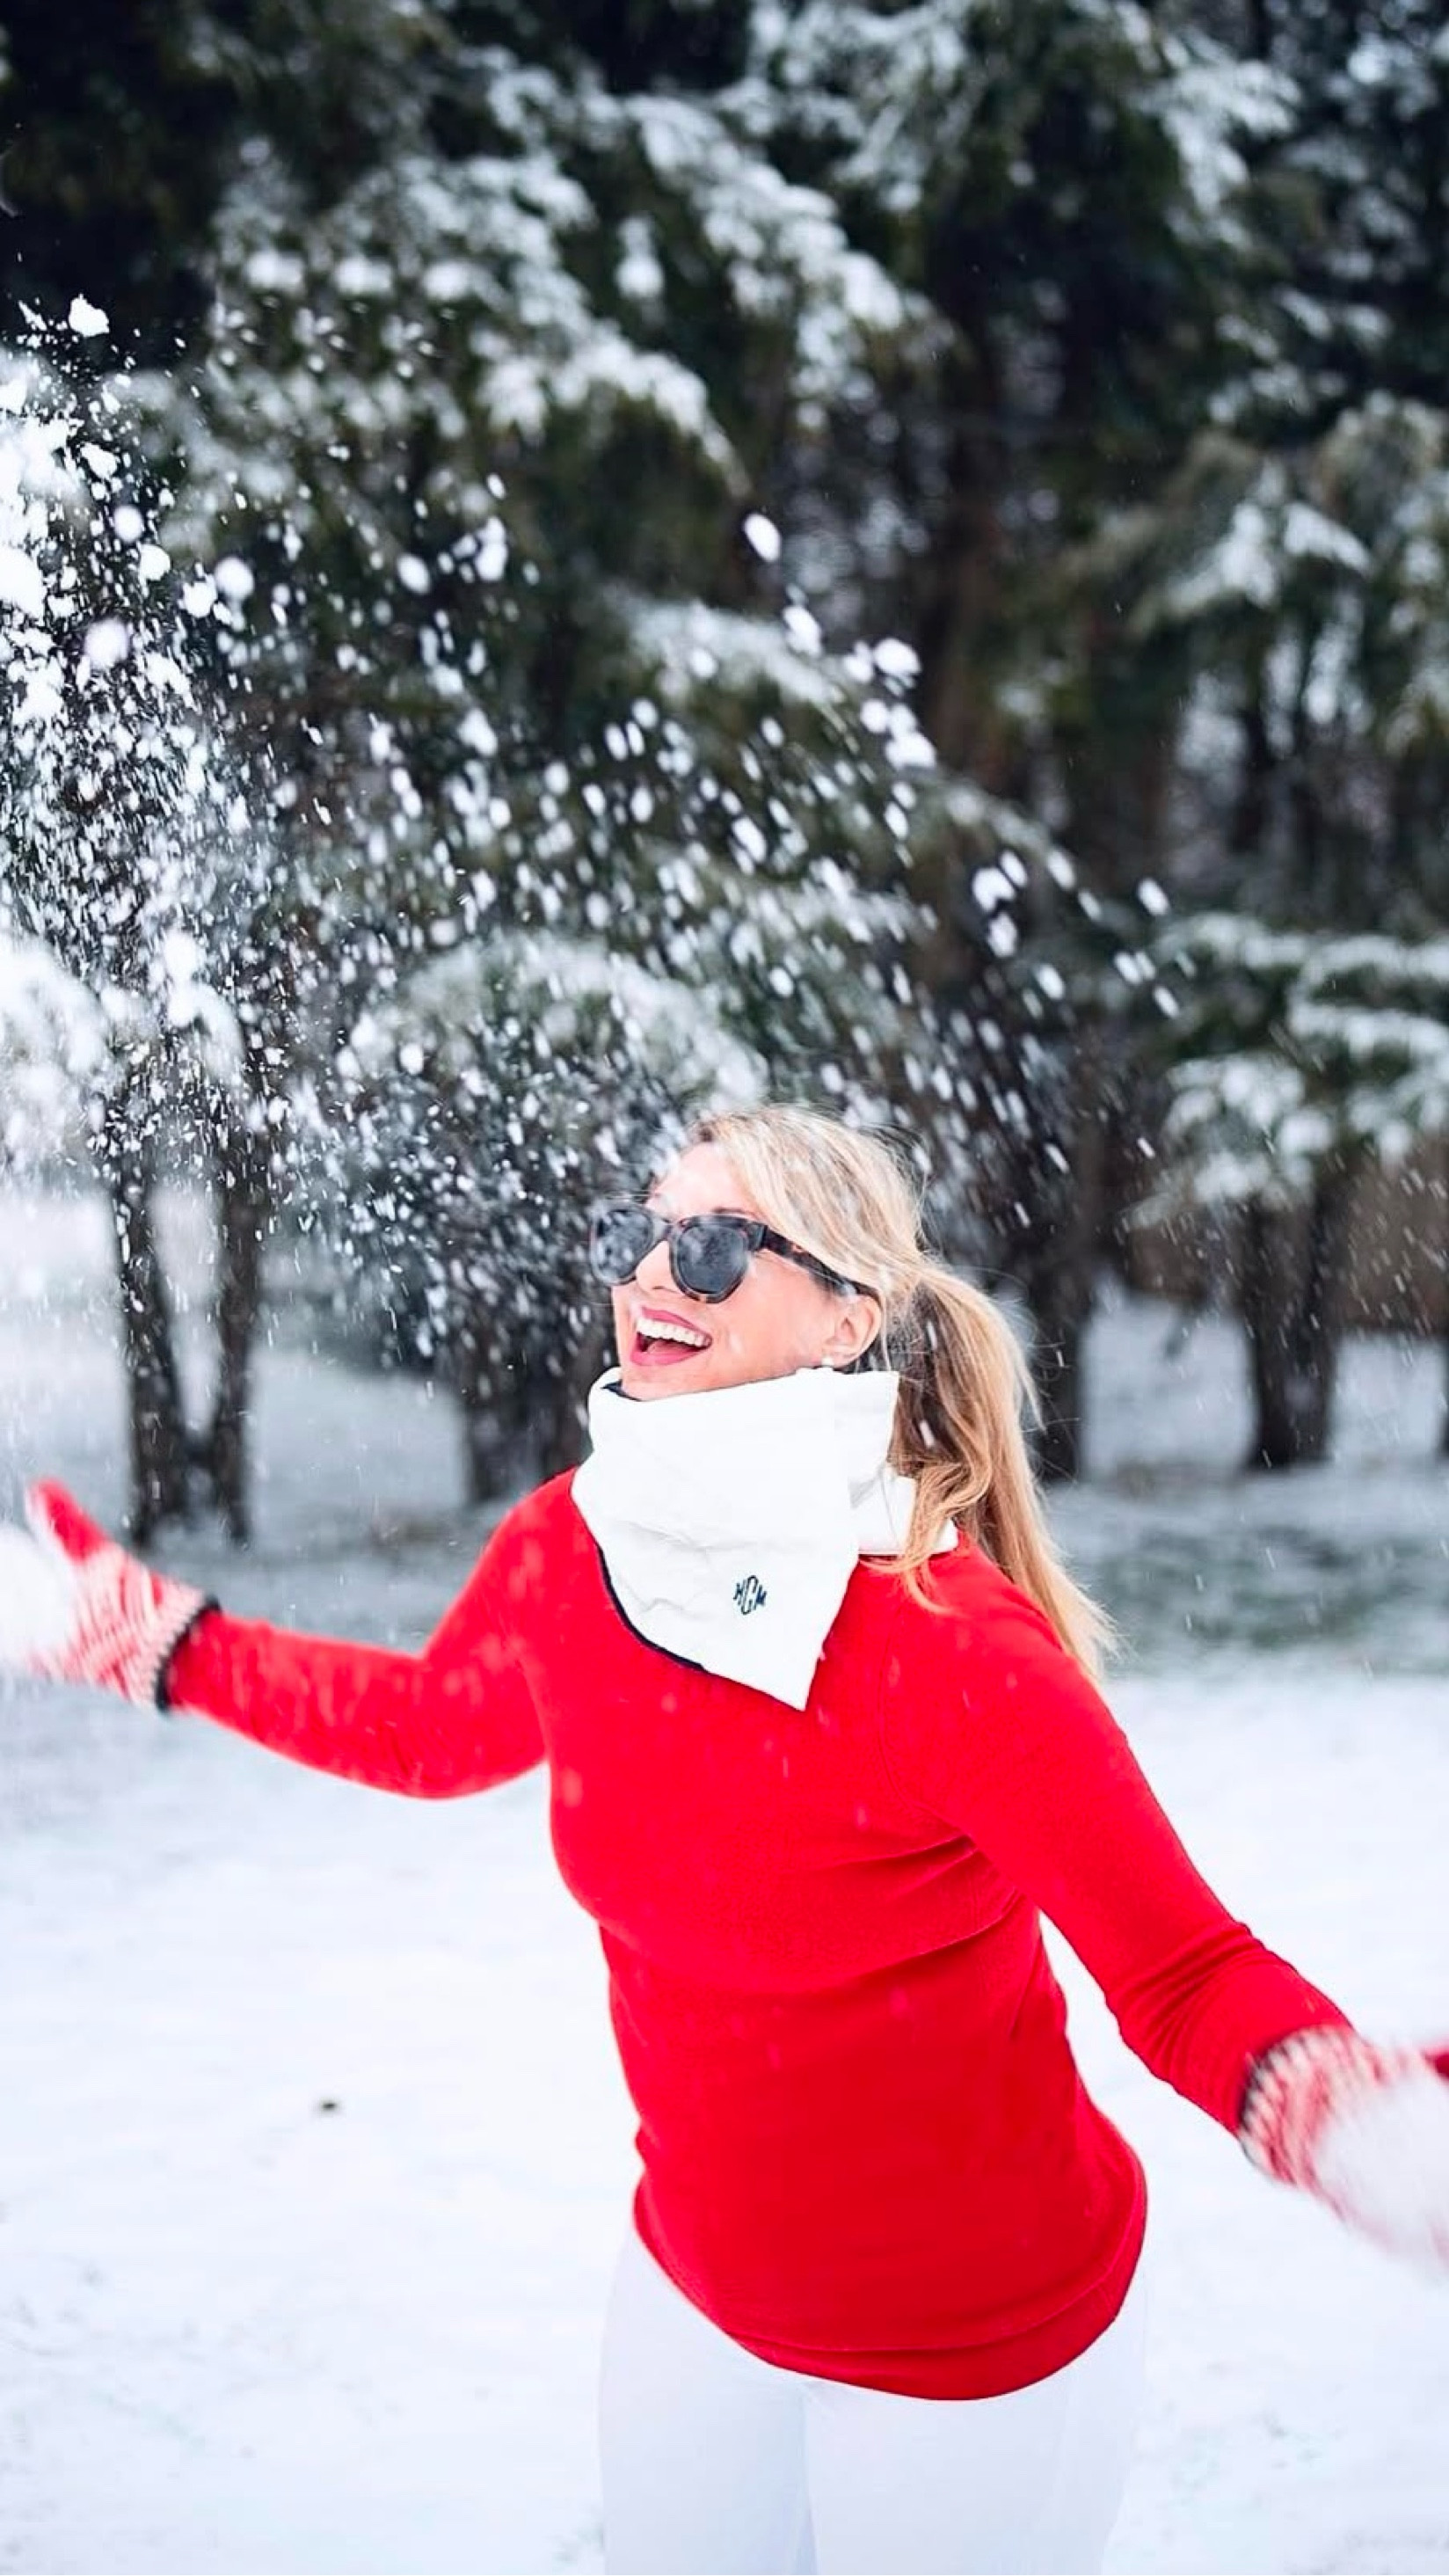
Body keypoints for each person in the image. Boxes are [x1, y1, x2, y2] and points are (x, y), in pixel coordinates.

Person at [3, 1101, 1446, 2576]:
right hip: (697, 2297)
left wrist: (1346, 2115)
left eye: (709, 1244)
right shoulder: (574, 1544)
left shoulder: (947, 1647)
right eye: (644, 1235)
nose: (651, 1276)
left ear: (845, 1318)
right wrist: (166, 1643)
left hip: (974, 2350)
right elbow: (430, 1727)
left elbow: (1187, 1970)